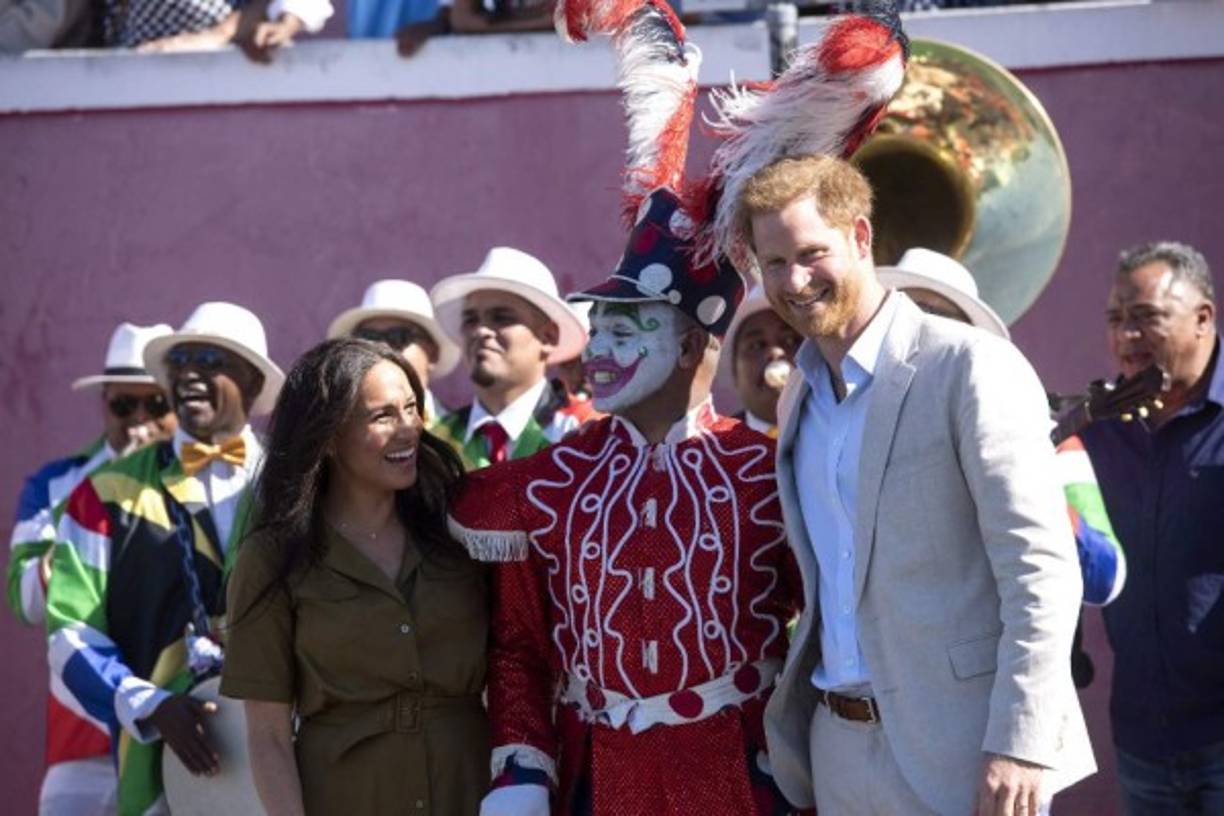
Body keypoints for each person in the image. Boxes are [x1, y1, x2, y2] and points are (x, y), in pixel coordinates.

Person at [742, 155, 1094, 815]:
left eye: (812, 253)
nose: (794, 280)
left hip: (969, 751)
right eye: (774, 263)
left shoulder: (970, 366)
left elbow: (1043, 571)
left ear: (862, 237)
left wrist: (1021, 742)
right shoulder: (797, 401)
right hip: (837, 752)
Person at [449, 187, 799, 816]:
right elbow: (519, 647)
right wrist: (524, 764)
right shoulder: (548, 481)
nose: (598, 353)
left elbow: (829, 628)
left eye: (625, 330)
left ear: (692, 347)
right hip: (599, 776)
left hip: (741, 776)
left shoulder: (770, 472)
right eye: (598, 330)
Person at [221, 338, 488, 815]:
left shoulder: (461, 529)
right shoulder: (271, 557)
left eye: (411, 408)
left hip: (471, 791)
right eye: (382, 416)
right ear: (327, 437)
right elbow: (267, 737)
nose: (408, 429)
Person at [45, 301, 283, 815]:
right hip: (156, 761)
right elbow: (69, 636)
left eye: (210, 359)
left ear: (253, 383)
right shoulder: (103, 493)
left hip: (285, 753)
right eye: (181, 360)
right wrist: (148, 704)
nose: (191, 372)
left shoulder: (294, 486)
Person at [877, 247, 1126, 611]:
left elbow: (1106, 579)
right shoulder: (853, 428)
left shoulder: (1050, 434)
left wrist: (1030, 488)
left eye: (937, 318)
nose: (921, 333)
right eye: (908, 315)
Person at [1079, 241, 1224, 814]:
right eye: (1116, 321)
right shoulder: (1098, 428)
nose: (1125, 338)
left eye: (1145, 318)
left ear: (1203, 318)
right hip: (1141, 742)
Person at [8, 321, 175, 815]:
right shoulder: (55, 483)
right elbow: (26, 601)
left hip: (170, 734)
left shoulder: (199, 485)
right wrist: (108, 489)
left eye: (155, 404)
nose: (138, 419)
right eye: (124, 406)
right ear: (104, 405)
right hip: (81, 738)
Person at [429, 246, 589, 469]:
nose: (481, 331)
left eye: (501, 317)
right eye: (470, 319)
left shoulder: (585, 430)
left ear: (549, 337)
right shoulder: (435, 444)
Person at [327, 278, 461, 426]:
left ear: (433, 353)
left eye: (398, 336)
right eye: (368, 338)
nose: (382, 348)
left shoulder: (463, 440)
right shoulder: (337, 437)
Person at [721, 284, 802, 438]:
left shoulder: (849, 432)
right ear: (734, 370)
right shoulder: (710, 453)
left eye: (791, 340)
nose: (774, 353)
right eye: (757, 345)